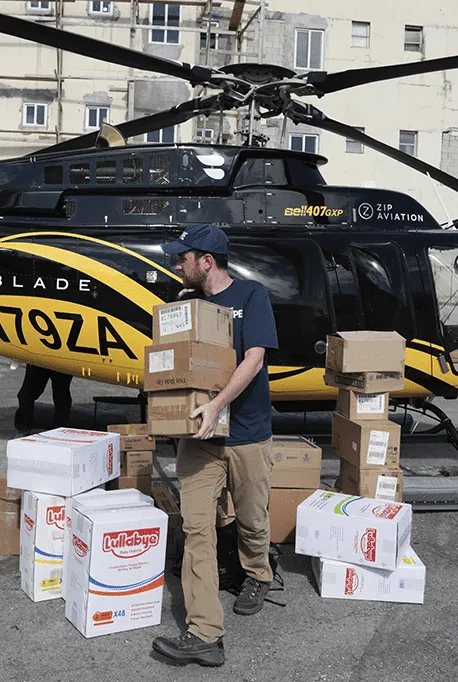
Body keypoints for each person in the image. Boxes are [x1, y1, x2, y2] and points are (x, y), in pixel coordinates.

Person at [150, 224, 279, 668]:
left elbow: (254, 358)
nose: (175, 265)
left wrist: (218, 405)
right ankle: (205, 632)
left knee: (251, 518)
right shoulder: (186, 308)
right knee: (197, 530)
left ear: (207, 260)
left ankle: (259, 573)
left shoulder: (251, 297)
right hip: (199, 440)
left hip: (246, 433)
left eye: (181, 258)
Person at [13, 363, 72, 431]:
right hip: (40, 360)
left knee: (61, 395)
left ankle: (60, 426)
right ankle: (23, 424)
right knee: (28, 392)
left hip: (60, 360)